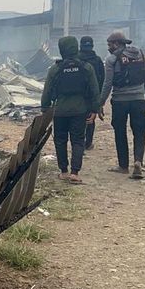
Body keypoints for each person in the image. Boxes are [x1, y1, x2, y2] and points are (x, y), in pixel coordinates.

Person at [41, 36, 100, 184]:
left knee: (60, 141)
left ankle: (64, 171)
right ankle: (75, 172)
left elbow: (47, 91)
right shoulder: (86, 67)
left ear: (62, 50)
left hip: (59, 111)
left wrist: (44, 108)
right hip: (80, 111)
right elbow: (94, 90)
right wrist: (95, 109)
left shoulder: (55, 69)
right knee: (78, 141)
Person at [99, 30, 145, 179]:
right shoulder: (140, 54)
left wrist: (100, 103)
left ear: (116, 44)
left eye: (109, 44)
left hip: (119, 102)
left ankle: (123, 166)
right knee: (140, 131)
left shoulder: (111, 60)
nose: (108, 47)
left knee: (120, 132)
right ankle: (138, 162)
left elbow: (107, 84)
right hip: (138, 100)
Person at [78, 36, 105, 149]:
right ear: (92, 46)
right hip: (93, 95)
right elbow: (102, 79)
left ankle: (79, 142)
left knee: (78, 119)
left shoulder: (76, 59)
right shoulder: (97, 60)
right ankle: (88, 143)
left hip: (78, 95)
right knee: (90, 119)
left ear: (81, 46)